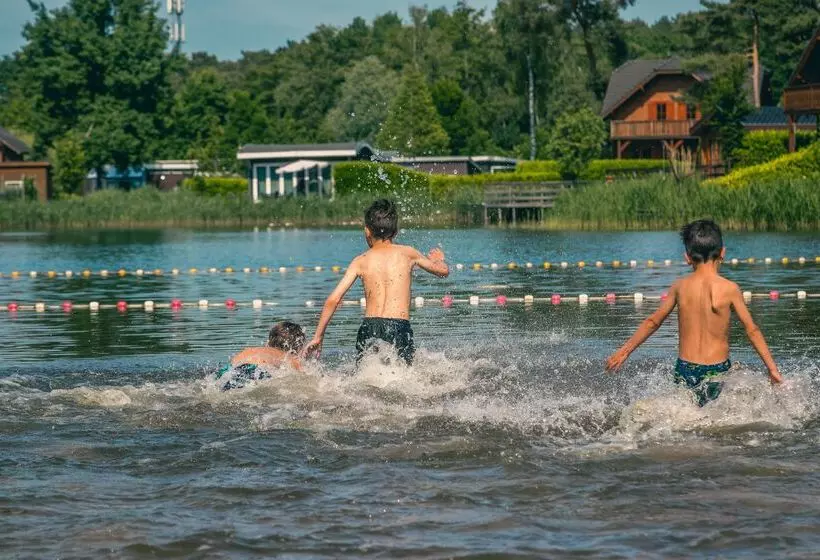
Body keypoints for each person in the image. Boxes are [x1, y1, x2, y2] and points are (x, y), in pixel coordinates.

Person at [606, 219, 782, 406]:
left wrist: (624, 352)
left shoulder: (680, 287)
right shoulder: (729, 288)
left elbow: (653, 322)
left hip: (685, 368)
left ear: (687, 257)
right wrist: (772, 369)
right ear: (723, 253)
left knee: (687, 413)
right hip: (717, 370)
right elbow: (752, 330)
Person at [304, 199, 449, 366]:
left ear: (367, 231)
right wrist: (440, 260)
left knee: (366, 379)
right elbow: (443, 272)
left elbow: (333, 300)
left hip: (369, 327)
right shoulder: (408, 253)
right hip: (398, 325)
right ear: (395, 232)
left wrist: (318, 337)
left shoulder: (360, 260)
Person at [216, 321, 305, 391]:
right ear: (298, 346)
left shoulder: (249, 350)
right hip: (258, 371)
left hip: (229, 371)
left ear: (269, 341)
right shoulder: (288, 357)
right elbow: (304, 375)